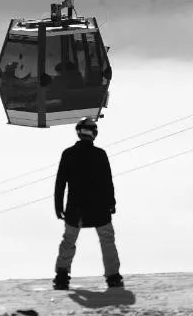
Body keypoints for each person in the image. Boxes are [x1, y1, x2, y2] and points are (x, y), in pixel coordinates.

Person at [52, 117, 123, 290]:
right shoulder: (100, 154)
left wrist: (58, 206)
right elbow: (108, 182)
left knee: (68, 240)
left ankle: (62, 277)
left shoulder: (68, 154)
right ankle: (113, 277)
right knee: (107, 240)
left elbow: (60, 182)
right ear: (94, 134)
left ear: (78, 132)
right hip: (99, 207)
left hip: (75, 208)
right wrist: (111, 203)